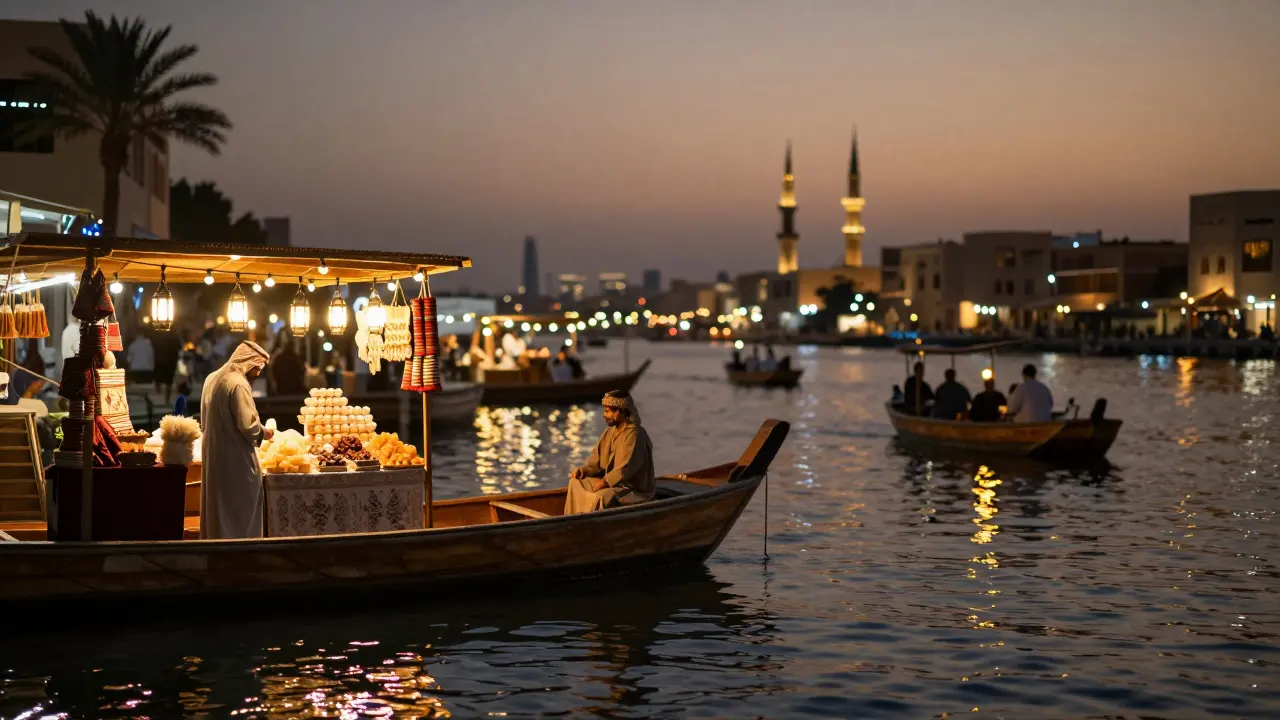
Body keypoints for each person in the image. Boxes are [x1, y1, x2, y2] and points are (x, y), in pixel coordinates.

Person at [199, 341, 273, 539]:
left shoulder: (211, 378)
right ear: (249, 363)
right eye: (258, 369)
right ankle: (241, 556)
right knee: (239, 514)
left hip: (215, 456)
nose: (258, 375)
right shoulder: (238, 383)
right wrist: (265, 433)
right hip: (236, 461)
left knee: (218, 510)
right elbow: (248, 426)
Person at [564, 390, 655, 514]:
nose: (604, 414)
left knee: (600, 497)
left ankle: (591, 526)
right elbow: (596, 462)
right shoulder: (609, 432)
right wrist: (584, 471)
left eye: (608, 411)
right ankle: (571, 520)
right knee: (575, 483)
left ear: (620, 411)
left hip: (631, 489)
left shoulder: (635, 434)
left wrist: (606, 482)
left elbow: (626, 468)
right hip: (611, 484)